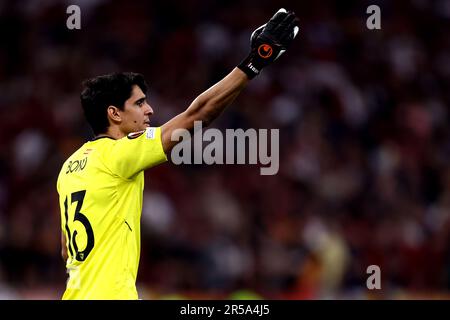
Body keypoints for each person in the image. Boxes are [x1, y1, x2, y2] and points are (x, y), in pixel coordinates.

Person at [57, 8, 299, 300]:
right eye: (139, 103)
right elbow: (198, 115)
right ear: (114, 114)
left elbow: (66, 249)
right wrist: (255, 61)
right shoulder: (120, 152)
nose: (149, 110)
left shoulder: (69, 167)